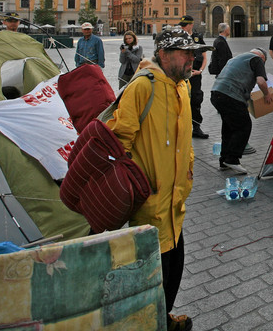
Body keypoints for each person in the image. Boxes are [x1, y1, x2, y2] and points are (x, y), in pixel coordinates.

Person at [106, 27, 210, 330]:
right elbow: (119, 141)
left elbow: (184, 137)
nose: (193, 58)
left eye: (194, 52)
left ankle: (161, 319)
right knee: (154, 274)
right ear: (163, 55)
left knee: (173, 270)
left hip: (175, 202)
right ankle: (150, 323)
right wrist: (134, 184)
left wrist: (189, 166)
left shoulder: (182, 86)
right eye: (186, 53)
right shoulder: (143, 86)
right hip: (151, 202)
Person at [210, 48, 273, 174]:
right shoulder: (257, 59)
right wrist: (267, 94)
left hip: (216, 93)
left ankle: (224, 160)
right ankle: (233, 159)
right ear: (263, 58)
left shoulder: (236, 58)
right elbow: (261, 81)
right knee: (244, 126)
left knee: (228, 127)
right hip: (231, 95)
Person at [178, 16, 209, 139]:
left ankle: (196, 127)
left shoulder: (198, 37)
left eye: (185, 25)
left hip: (196, 76)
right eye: (182, 25)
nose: (183, 27)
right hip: (182, 76)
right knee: (181, 99)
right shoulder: (179, 38)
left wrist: (200, 70)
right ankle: (181, 129)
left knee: (196, 99)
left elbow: (205, 56)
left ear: (191, 25)